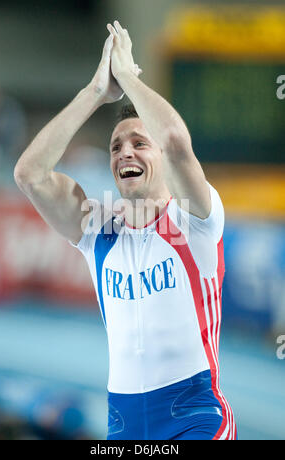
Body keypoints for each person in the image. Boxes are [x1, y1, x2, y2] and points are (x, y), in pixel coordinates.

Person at [14, 20, 237, 440]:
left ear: (161, 160)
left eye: (138, 142)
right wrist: (95, 92)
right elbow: (29, 174)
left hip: (196, 420)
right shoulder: (97, 231)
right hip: (122, 426)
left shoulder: (195, 219)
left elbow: (172, 137)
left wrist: (130, 77)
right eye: (115, 146)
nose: (124, 153)